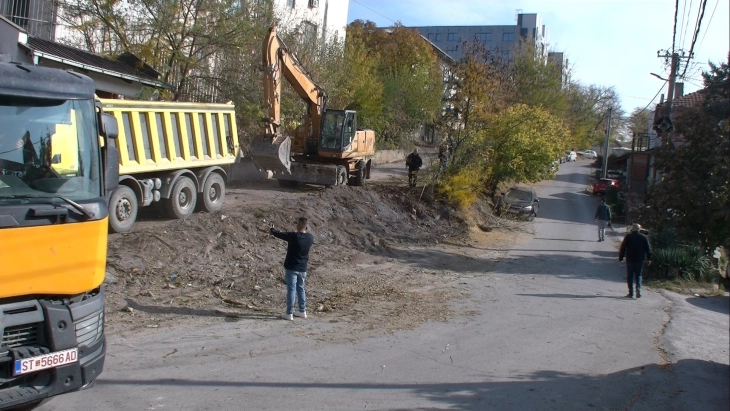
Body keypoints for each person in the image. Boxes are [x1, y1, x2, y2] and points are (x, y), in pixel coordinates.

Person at [260, 217, 314, 320]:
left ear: (298, 225)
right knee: (301, 289)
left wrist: (271, 230)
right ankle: (302, 311)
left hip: (292, 267)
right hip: (303, 268)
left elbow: (280, 234)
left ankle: (289, 313)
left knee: (291, 289)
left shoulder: (294, 236)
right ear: (306, 226)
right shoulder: (310, 238)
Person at [619, 223, 653, 298]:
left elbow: (623, 248)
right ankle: (638, 288)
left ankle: (631, 292)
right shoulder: (643, 237)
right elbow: (648, 249)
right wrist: (649, 258)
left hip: (630, 259)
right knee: (638, 275)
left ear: (632, 229)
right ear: (639, 229)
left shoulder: (628, 237)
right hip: (639, 259)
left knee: (630, 276)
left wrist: (621, 258)